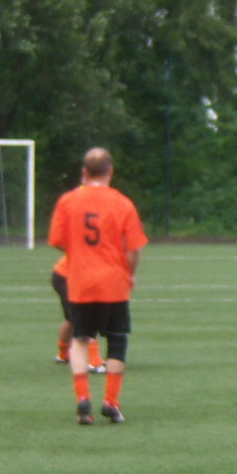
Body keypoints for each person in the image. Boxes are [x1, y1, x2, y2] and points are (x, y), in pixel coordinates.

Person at [48, 148, 148, 425]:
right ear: (110, 172)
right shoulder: (122, 203)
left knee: (81, 339)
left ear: (84, 172)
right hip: (114, 282)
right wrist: (130, 273)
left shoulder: (68, 201)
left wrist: (81, 253)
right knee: (117, 340)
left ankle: (83, 401)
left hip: (80, 281)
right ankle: (111, 403)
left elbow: (57, 240)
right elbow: (135, 249)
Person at [50, 252, 105, 373]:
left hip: (64, 275)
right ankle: (94, 362)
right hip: (68, 278)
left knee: (70, 320)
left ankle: (63, 354)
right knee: (88, 318)